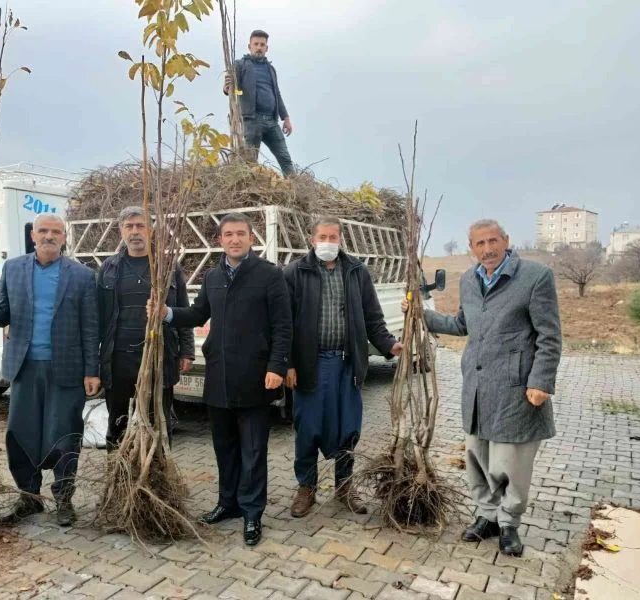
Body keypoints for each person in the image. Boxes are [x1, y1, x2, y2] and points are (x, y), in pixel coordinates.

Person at [402, 219, 562, 556]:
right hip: (476, 385)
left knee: (510, 462)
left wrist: (541, 380)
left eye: (493, 241)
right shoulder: (469, 280)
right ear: (471, 248)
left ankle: (508, 524)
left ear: (506, 240)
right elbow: (463, 324)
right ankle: (487, 516)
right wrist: (421, 315)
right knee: (477, 457)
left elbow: (549, 335)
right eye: (479, 244)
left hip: (516, 387)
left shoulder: (534, 277)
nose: (487, 249)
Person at [148, 212, 292, 546]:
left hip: (256, 377)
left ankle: (253, 513)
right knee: (224, 447)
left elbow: (283, 326)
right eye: (228, 234)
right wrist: (167, 314)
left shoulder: (270, 276)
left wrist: (277, 367)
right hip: (219, 377)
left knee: (253, 451)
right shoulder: (213, 277)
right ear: (220, 240)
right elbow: (198, 315)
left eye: (241, 234)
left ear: (251, 239)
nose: (235, 239)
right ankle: (228, 503)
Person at [0, 214, 100, 526]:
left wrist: (92, 370)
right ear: (33, 235)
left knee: (65, 435)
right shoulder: (14, 269)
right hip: (24, 367)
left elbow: (91, 327)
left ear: (65, 238)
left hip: (66, 369)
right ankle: (29, 498)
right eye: (43, 231)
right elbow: (2, 313)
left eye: (56, 232)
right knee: (20, 434)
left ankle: (63, 498)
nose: (49, 236)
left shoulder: (82, 276)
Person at [283, 216, 403, 518]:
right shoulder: (296, 273)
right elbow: (283, 324)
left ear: (341, 239)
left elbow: (372, 317)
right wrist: (288, 363)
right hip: (310, 365)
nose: (327, 242)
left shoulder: (356, 272)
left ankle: (344, 486)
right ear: (312, 240)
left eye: (333, 237)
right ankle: (306, 488)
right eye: (322, 237)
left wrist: (389, 344)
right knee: (308, 427)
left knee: (348, 427)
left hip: (347, 364)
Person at [97, 206, 194, 450]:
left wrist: (187, 350)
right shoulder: (109, 268)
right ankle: (118, 478)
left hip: (158, 356)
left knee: (158, 423)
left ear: (151, 231)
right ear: (121, 231)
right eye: (129, 227)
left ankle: (158, 474)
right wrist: (92, 362)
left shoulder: (167, 266)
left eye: (140, 226)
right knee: (117, 422)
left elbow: (183, 309)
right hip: (118, 358)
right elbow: (97, 317)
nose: (135, 232)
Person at [223, 29, 295, 177]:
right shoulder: (240, 65)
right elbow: (233, 89)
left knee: (285, 158)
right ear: (249, 46)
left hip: (272, 121)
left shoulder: (271, 69)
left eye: (262, 44)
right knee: (250, 161)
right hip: (252, 120)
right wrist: (227, 88)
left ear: (266, 48)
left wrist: (286, 118)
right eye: (256, 44)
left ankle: (296, 189)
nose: (259, 47)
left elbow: (277, 94)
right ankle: (249, 192)